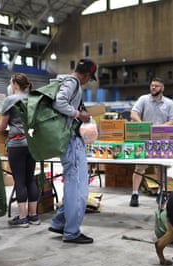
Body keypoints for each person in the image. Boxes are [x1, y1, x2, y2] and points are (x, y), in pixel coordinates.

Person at [47, 58, 97, 244]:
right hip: (71, 141)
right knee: (77, 188)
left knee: (72, 184)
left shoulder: (66, 82)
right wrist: (78, 114)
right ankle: (72, 231)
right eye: (89, 78)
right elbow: (59, 102)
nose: (87, 81)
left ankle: (60, 222)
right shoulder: (72, 82)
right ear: (85, 75)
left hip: (69, 140)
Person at [0, 73, 40, 227]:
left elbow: (2, 126)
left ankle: (22, 218)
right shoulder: (33, 99)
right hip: (32, 143)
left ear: (15, 84)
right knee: (30, 179)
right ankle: (34, 216)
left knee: (19, 181)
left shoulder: (10, 100)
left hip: (16, 144)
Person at [129, 77, 173, 207]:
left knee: (160, 167)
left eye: (156, 86)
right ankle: (134, 194)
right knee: (139, 167)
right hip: (144, 139)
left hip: (161, 139)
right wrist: (143, 125)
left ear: (162, 88)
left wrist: (159, 128)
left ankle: (161, 192)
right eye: (152, 85)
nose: (153, 88)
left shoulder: (169, 103)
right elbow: (133, 113)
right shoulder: (143, 99)